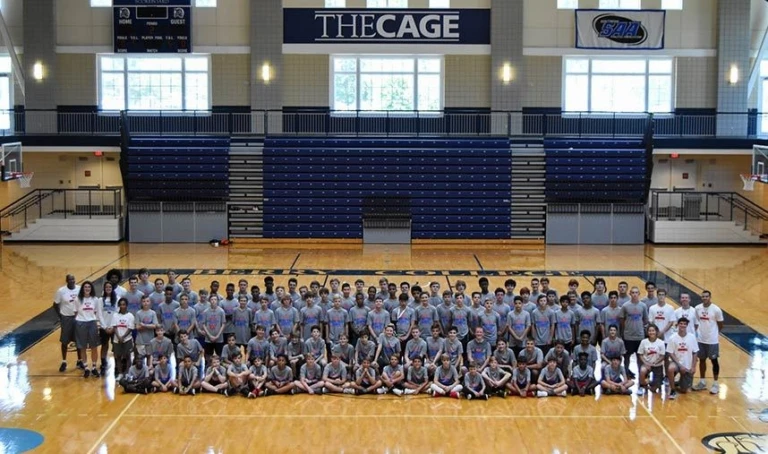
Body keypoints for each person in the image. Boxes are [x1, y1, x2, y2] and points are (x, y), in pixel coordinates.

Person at [693, 290, 724, 394]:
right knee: (702, 360)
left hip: (712, 341)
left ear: (710, 297)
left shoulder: (716, 310)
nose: (704, 298)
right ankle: (702, 381)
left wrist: (714, 334)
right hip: (701, 339)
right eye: (703, 296)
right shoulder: (697, 308)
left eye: (706, 296)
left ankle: (715, 384)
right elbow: (697, 322)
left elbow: (720, 324)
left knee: (714, 361)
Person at [74, 281, 103, 378]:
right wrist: (80, 321)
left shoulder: (95, 299)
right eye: (85, 287)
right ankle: (86, 367)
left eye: (89, 287)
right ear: (82, 288)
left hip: (92, 323)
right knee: (82, 346)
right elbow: (75, 312)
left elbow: (96, 312)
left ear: (91, 289)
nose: (87, 289)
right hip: (80, 323)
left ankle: (94, 367)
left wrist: (97, 323)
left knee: (94, 346)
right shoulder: (78, 299)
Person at [666, 317, 699, 400]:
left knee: (684, 390)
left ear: (687, 326)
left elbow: (695, 352)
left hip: (687, 365)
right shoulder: (672, 337)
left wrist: (693, 367)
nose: (682, 325)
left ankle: (677, 383)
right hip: (677, 363)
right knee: (670, 369)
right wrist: (680, 365)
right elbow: (670, 352)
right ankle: (672, 390)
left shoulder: (692, 337)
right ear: (678, 325)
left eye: (684, 324)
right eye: (681, 323)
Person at [620, 286, 648, 379]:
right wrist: (625, 331)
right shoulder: (625, 306)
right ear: (630, 294)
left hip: (640, 336)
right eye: (633, 292)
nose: (634, 294)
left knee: (640, 358)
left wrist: (640, 329)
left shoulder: (643, 306)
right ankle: (626, 374)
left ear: (639, 294)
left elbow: (645, 320)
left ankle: (641, 376)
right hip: (628, 337)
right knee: (626, 357)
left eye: (636, 292)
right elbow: (622, 320)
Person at [637, 324, 665, 396]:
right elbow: (640, 354)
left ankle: (652, 384)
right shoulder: (643, 342)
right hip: (647, 364)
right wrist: (646, 363)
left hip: (657, 365)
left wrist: (655, 362)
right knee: (642, 371)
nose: (651, 332)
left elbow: (662, 356)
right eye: (649, 331)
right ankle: (642, 385)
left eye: (653, 331)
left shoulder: (661, 342)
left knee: (654, 390)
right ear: (647, 332)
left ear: (656, 332)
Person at [110, 298, 134, 380]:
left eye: (124, 304)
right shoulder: (115, 315)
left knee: (128, 356)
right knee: (118, 357)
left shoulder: (130, 316)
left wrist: (123, 337)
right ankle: (120, 373)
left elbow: (130, 328)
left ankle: (127, 373)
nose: (122, 306)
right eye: (121, 304)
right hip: (117, 339)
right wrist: (119, 337)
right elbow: (115, 327)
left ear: (126, 305)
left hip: (127, 339)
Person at [99, 282, 118, 375]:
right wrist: (105, 327)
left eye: (110, 286)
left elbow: (117, 314)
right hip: (104, 328)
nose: (108, 288)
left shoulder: (116, 299)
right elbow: (99, 314)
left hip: (114, 327)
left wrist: (113, 327)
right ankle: (103, 364)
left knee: (115, 347)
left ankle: (117, 365)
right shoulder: (100, 300)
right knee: (104, 346)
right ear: (104, 288)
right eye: (106, 286)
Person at [135, 296, 159, 365]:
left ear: (150, 302)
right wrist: (149, 326)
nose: (146, 303)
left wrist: (144, 325)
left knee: (149, 357)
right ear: (141, 303)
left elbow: (155, 326)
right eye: (144, 301)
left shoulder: (153, 313)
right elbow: (137, 327)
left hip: (150, 340)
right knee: (140, 358)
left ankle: (148, 372)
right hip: (140, 341)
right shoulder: (138, 313)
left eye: (147, 301)